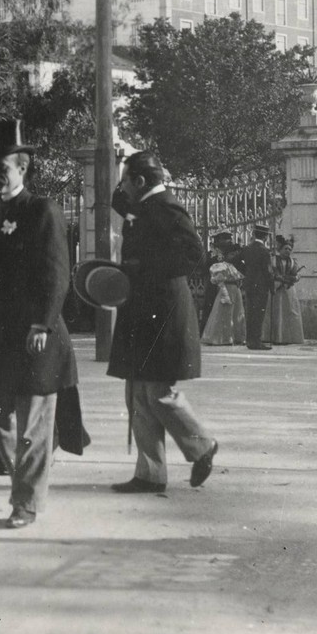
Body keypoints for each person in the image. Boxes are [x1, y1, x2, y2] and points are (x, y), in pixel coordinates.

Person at [0, 120, 80, 529]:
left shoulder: (42, 211)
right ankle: (31, 480)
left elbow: (57, 274)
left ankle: (26, 503)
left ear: (23, 169)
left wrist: (42, 325)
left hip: (36, 335)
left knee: (32, 423)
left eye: (3, 169)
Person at [106, 151, 218, 494]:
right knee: (139, 393)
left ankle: (202, 445)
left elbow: (193, 253)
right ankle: (150, 474)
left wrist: (144, 268)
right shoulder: (143, 205)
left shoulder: (166, 207)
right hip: (144, 311)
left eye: (125, 181)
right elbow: (117, 201)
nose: (122, 188)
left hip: (163, 313)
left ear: (140, 182)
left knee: (158, 392)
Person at [203, 237, 246, 345]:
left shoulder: (233, 266)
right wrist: (226, 283)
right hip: (226, 290)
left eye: (234, 254)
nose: (233, 256)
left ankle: (236, 336)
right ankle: (223, 337)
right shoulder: (220, 266)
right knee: (225, 313)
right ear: (226, 255)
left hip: (235, 291)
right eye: (231, 254)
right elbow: (216, 280)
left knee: (236, 312)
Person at [268, 235, 305, 344]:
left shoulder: (293, 262)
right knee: (278, 312)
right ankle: (277, 337)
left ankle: (290, 337)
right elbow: (270, 272)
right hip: (277, 289)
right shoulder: (273, 260)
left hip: (289, 290)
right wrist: (278, 278)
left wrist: (295, 278)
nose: (288, 251)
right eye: (285, 249)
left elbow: (296, 274)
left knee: (290, 312)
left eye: (289, 249)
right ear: (280, 249)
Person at [242, 224, 273, 351]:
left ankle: (250, 340)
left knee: (250, 313)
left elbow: (235, 260)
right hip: (261, 286)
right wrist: (272, 286)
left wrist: (246, 272)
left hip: (249, 284)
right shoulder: (265, 251)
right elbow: (268, 271)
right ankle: (256, 341)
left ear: (254, 234)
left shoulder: (247, 249)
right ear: (265, 237)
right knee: (258, 314)